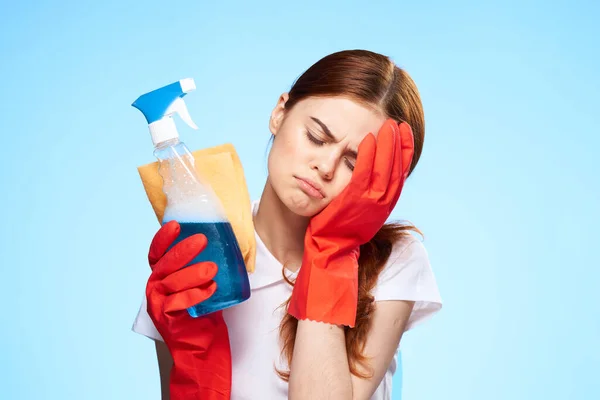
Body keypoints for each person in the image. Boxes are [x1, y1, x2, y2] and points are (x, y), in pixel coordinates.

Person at [132, 49, 442, 400]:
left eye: (353, 164)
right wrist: (195, 367)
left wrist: (330, 255)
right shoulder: (200, 257)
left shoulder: (394, 260)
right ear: (280, 113)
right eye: (316, 137)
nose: (325, 166)